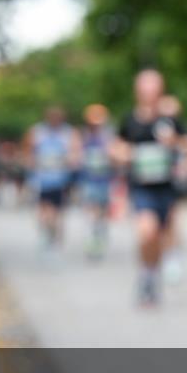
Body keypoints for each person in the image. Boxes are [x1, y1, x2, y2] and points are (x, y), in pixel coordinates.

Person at [115, 69, 187, 306]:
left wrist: (176, 143)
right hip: (141, 187)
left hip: (167, 187)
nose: (150, 93)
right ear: (138, 92)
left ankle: (151, 274)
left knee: (161, 235)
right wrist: (126, 154)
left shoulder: (169, 120)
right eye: (145, 89)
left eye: (154, 89)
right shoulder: (130, 120)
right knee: (146, 232)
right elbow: (116, 147)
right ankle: (147, 275)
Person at [24, 106, 80, 252]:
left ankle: (55, 232)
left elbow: (76, 153)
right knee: (44, 207)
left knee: (57, 209)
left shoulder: (68, 133)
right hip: (42, 178)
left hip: (61, 179)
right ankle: (46, 230)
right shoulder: (38, 132)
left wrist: (71, 160)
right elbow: (28, 151)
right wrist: (31, 163)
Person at [79, 104, 115, 260]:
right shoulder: (84, 136)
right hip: (89, 180)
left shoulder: (108, 136)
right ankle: (92, 239)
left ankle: (99, 235)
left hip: (105, 181)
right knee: (91, 210)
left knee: (102, 212)